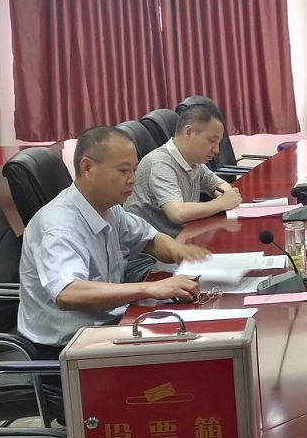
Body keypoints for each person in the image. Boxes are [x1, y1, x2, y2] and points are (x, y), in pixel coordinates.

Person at [19, 125, 211, 367]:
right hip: (66, 349)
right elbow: (68, 292)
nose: (132, 179)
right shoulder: (59, 225)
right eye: (123, 170)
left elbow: (149, 238)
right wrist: (149, 289)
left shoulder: (108, 208)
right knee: (182, 360)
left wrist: (178, 251)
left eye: (134, 169)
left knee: (194, 336)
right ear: (87, 168)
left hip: (107, 325)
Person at [127, 102, 243, 236]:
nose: (216, 150)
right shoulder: (161, 163)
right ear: (189, 132)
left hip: (185, 235)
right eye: (212, 141)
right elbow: (178, 213)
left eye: (218, 143)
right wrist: (221, 203)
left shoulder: (194, 161)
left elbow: (219, 184)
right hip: (154, 245)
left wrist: (226, 195)